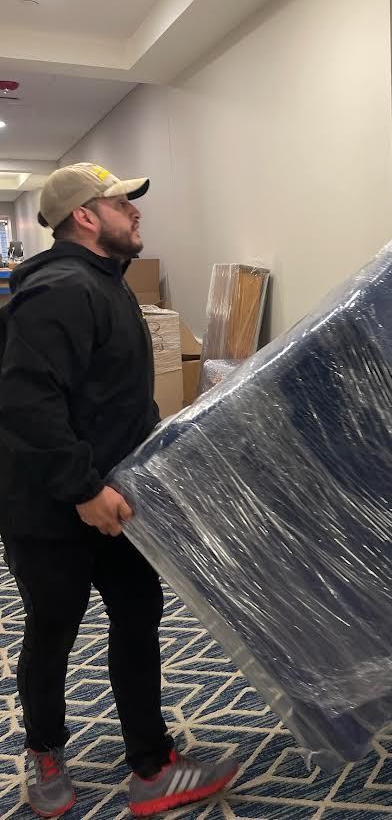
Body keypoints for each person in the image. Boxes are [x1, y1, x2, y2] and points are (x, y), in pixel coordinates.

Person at [0, 163, 239, 817]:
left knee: (138, 618)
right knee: (53, 630)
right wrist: (81, 490)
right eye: (120, 203)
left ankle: (152, 764)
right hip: (53, 506)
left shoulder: (106, 286)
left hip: (117, 498)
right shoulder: (57, 291)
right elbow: (26, 403)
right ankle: (46, 758)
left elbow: (110, 398)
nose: (134, 213)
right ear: (84, 215)